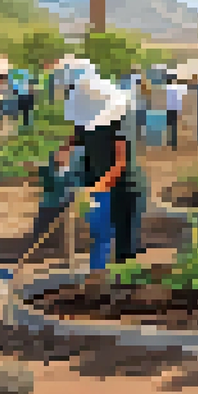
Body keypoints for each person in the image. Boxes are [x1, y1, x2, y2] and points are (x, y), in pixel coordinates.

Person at [59, 74, 141, 268]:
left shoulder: (120, 119)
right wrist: (62, 160)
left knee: (123, 246)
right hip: (97, 184)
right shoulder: (86, 120)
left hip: (122, 187)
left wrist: (94, 189)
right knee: (99, 236)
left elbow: (120, 164)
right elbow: (73, 141)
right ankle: (98, 282)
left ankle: (123, 287)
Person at [164, 74, 185, 150]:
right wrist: (180, 110)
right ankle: (174, 142)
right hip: (174, 109)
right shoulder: (175, 89)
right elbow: (178, 100)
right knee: (174, 126)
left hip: (168, 109)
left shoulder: (165, 90)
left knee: (168, 126)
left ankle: (168, 141)